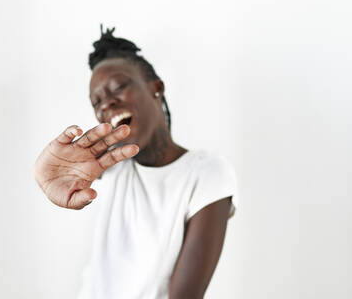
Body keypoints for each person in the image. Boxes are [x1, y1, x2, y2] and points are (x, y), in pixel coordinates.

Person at [33, 26, 239, 299]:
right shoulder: (110, 170)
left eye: (119, 87)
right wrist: (45, 175)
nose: (107, 104)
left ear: (156, 88)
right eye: (97, 102)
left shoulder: (207, 173)